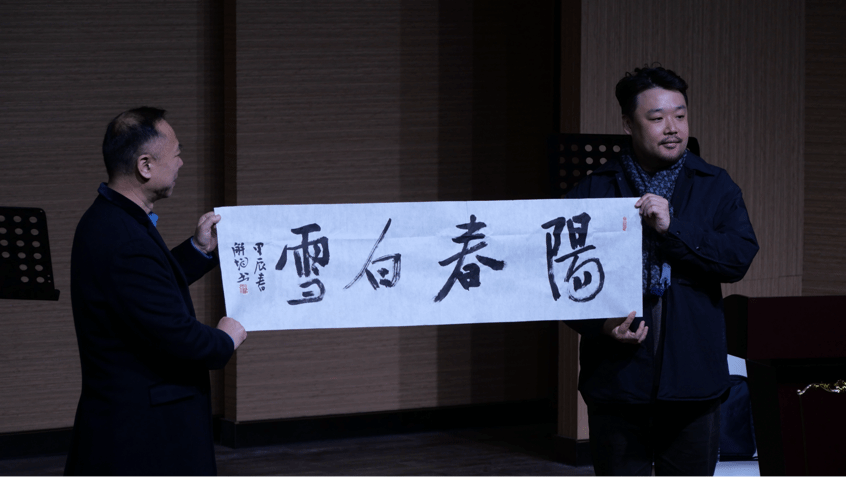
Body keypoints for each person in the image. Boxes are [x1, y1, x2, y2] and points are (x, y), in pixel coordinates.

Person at [565, 66, 759, 475]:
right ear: (628, 123)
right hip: (617, 382)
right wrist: (601, 325)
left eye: (680, 116)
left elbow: (737, 258)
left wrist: (674, 228)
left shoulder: (714, 185)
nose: (672, 128)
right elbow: (559, 282)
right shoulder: (594, 190)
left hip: (694, 378)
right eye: (657, 118)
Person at [65, 107, 247, 476]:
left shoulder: (109, 218)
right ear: (145, 165)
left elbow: (145, 291)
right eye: (176, 154)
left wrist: (198, 250)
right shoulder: (125, 239)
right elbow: (178, 336)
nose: (181, 163)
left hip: (131, 421)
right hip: (144, 435)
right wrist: (225, 339)